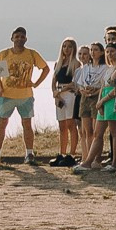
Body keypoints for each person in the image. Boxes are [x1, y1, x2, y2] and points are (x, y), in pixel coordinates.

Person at [0, 27, 49, 166]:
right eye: (17, 37)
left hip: (25, 96)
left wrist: (36, 84)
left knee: (27, 124)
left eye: (22, 37)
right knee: (2, 123)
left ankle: (29, 154)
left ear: (26, 39)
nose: (19, 39)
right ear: (12, 38)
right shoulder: (4, 54)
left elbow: (45, 69)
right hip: (6, 95)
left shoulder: (31, 54)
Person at [48, 36, 80, 166]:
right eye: (64, 46)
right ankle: (61, 153)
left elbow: (74, 83)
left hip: (69, 94)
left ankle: (71, 154)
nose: (66, 49)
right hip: (59, 94)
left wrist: (61, 91)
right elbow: (54, 79)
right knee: (61, 126)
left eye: (69, 46)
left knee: (70, 124)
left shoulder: (76, 64)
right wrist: (55, 93)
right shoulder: (58, 63)